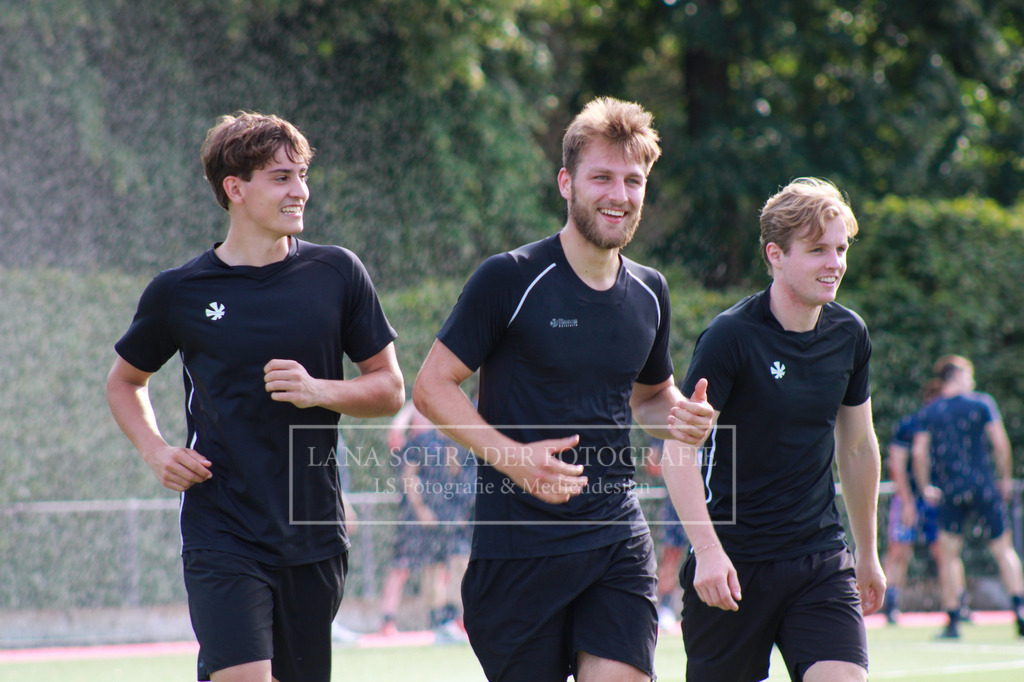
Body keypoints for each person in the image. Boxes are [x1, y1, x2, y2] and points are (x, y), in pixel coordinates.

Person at [412, 97, 713, 682]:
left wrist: (680, 416)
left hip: (616, 540)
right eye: (601, 177)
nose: (618, 195)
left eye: (633, 180)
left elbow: (650, 397)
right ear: (566, 183)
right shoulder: (511, 277)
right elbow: (431, 388)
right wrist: (515, 459)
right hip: (517, 553)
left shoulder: (650, 291)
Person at [105, 112, 405, 682]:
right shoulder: (181, 291)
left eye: (302, 175)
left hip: (313, 529)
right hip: (222, 526)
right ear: (235, 190)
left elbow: (389, 388)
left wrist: (320, 390)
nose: (300, 191)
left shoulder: (337, 272)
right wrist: (156, 450)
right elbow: (124, 381)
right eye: (281, 178)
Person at [662, 177, 886, 682]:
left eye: (840, 249)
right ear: (776, 254)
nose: (834, 263)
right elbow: (677, 454)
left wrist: (867, 555)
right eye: (817, 250)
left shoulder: (850, 334)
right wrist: (709, 554)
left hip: (820, 562)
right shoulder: (730, 337)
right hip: (733, 569)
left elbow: (856, 448)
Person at [911, 355, 1024, 639]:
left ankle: (952, 619)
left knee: (949, 554)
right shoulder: (982, 403)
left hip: (951, 490)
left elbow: (919, 452)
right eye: (969, 374)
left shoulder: (932, 410)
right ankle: (1020, 610)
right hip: (983, 485)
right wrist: (1004, 479)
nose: (972, 380)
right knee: (1003, 548)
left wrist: (925, 486)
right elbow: (1000, 443)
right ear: (957, 376)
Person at [377, 408, 475, 643]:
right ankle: (400, 621)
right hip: (418, 518)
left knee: (450, 565)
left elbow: (454, 474)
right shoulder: (416, 443)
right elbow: (408, 477)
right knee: (415, 568)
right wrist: (421, 510)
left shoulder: (448, 443)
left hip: (444, 516)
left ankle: (452, 619)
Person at [880, 379, 943, 625]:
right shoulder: (911, 425)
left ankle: (958, 605)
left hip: (938, 499)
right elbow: (895, 463)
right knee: (899, 550)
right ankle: (890, 604)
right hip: (910, 498)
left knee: (945, 550)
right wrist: (907, 501)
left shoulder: (946, 425)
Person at [642, 437, 690, 630]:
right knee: (671, 555)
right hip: (677, 503)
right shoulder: (665, 424)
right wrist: (683, 470)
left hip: (713, 502)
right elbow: (652, 466)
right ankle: (665, 610)